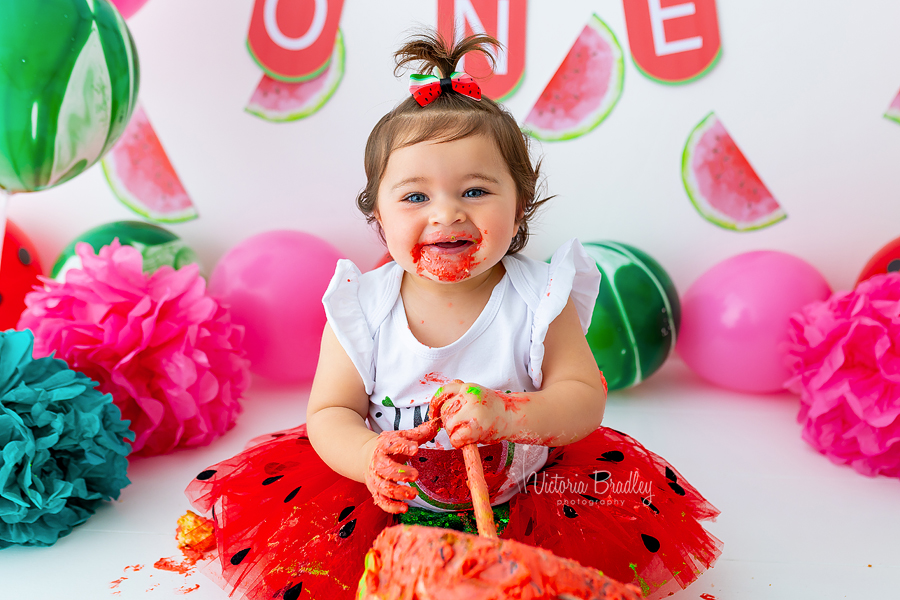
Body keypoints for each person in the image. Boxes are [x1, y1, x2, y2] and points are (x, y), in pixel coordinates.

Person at [186, 31, 721, 600]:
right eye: (415, 198)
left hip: (527, 495)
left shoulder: (539, 299)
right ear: (378, 218)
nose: (447, 213)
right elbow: (330, 411)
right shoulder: (362, 308)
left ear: (520, 209)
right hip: (386, 503)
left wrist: (511, 415)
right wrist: (368, 455)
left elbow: (583, 396)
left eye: (475, 190)